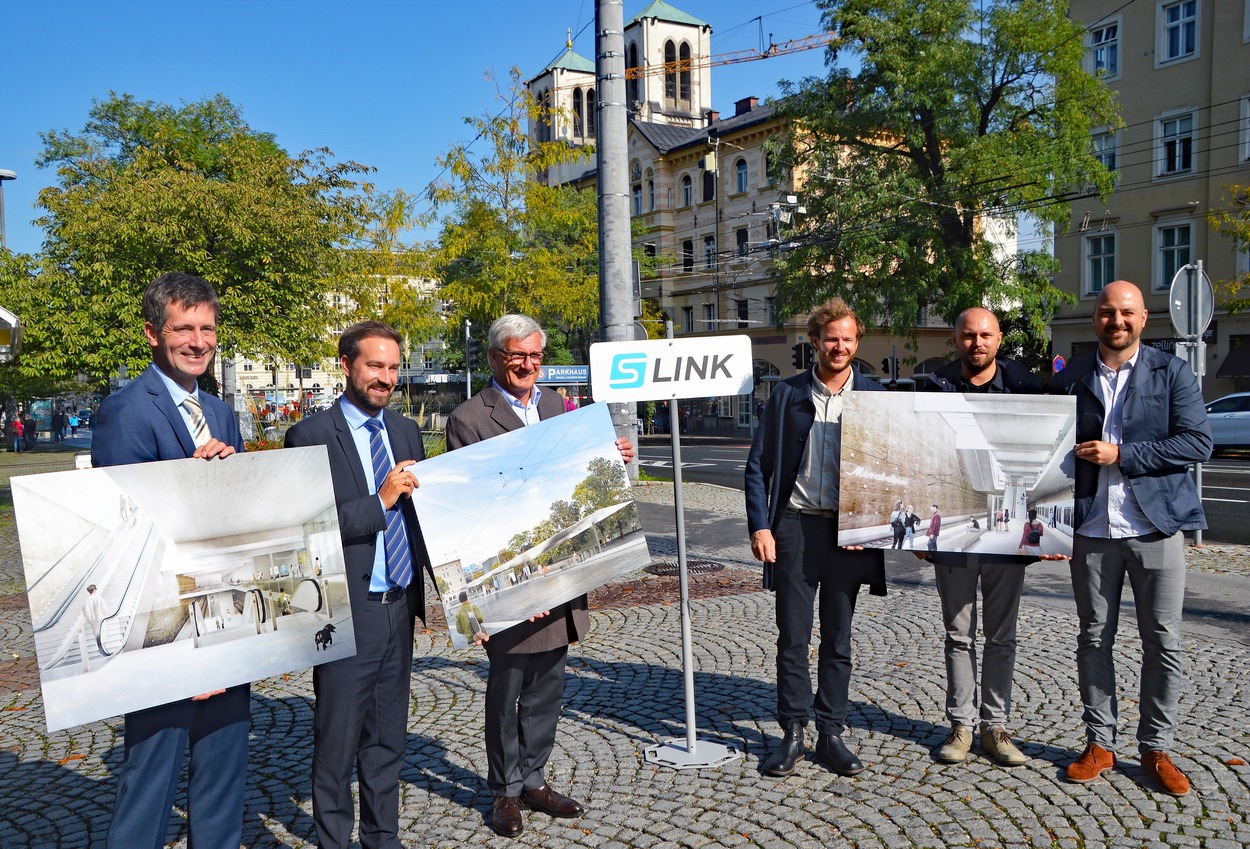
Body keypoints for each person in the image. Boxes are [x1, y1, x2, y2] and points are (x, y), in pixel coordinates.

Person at [445, 313, 634, 838]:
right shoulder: (468, 419)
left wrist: (608, 457)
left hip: (562, 577)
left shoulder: (558, 406)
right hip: (511, 579)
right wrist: (514, 589)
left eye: (534, 355)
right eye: (516, 355)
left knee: (548, 687)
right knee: (507, 691)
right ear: (494, 358)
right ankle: (505, 790)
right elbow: (473, 508)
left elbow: (572, 477)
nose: (527, 364)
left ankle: (534, 779)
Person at [91, 272, 249, 849]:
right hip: (162, 627)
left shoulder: (220, 412)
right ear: (152, 333)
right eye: (183, 329)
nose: (198, 341)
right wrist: (185, 651)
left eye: (207, 328)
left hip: (224, 616)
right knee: (151, 777)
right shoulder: (126, 411)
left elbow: (233, 520)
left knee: (223, 768)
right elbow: (127, 536)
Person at [1051, 280, 1212, 797]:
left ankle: (1155, 747)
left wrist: (1123, 455)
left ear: (1143, 318)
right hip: (1092, 529)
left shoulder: (1172, 371)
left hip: (1155, 526)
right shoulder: (1071, 377)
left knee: (1162, 641)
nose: (1115, 321)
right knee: (1093, 638)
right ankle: (1100, 743)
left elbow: (1198, 442)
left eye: (1126, 313)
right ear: (1094, 318)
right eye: (1106, 312)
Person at [284, 320, 435, 849]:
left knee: (388, 739)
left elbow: (425, 521)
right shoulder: (308, 436)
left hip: (400, 604)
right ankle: (334, 841)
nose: (385, 378)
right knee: (338, 743)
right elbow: (305, 528)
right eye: (375, 366)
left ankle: (381, 838)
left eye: (393, 368)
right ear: (346, 365)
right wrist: (380, 501)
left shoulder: (406, 431)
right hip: (347, 610)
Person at [745, 296, 887, 778]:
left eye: (847, 339)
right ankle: (793, 732)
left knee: (839, 638)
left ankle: (831, 733)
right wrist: (761, 525)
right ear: (815, 342)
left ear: (857, 342)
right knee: (792, 635)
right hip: (795, 526)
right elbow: (757, 467)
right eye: (831, 339)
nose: (839, 347)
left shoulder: (874, 397)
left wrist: (872, 524)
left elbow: (890, 471)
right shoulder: (787, 395)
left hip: (850, 531)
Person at [920, 306, 1044, 767]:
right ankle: (961, 726)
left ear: (999, 339)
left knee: (1001, 636)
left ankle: (995, 727)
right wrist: (919, 533)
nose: (977, 343)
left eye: (985, 335)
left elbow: (1041, 462)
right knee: (959, 635)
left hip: (1008, 542)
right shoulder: (934, 387)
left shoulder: (1028, 388)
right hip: (953, 542)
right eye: (969, 336)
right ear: (955, 340)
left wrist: (1049, 534)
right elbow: (926, 462)